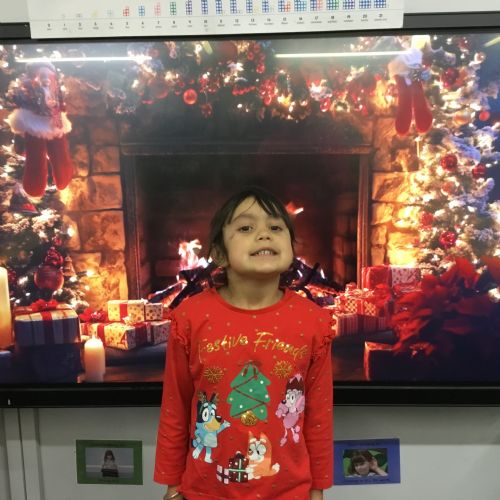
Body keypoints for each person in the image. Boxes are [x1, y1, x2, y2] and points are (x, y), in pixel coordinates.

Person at [154, 186, 334, 500]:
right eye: (246, 228)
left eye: (276, 228)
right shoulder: (190, 318)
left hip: (288, 492)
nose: (264, 235)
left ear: (291, 248)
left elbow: (319, 416)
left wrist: (317, 489)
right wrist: (172, 487)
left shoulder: (313, 321)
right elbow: (175, 407)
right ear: (219, 253)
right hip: (205, 492)